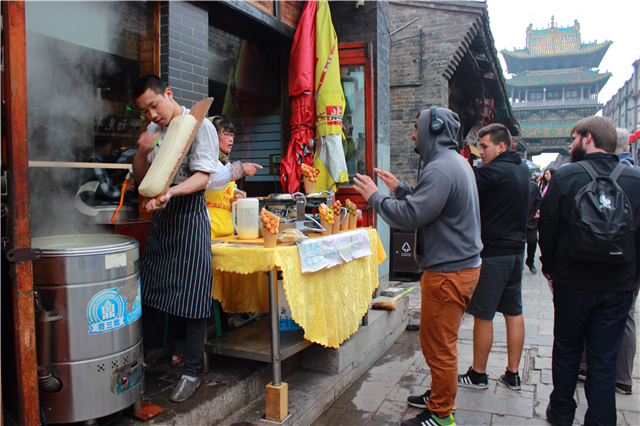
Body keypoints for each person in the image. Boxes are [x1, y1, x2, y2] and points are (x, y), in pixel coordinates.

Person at [353, 107, 482, 426]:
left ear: (432, 129)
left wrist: (375, 198)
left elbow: (411, 215)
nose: (413, 133)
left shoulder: (440, 169)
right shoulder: (453, 164)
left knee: (440, 346)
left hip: (450, 273)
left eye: (416, 127)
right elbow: (430, 203)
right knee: (435, 339)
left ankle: (442, 414)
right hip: (457, 269)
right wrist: (400, 188)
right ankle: (440, 393)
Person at [538, 116, 640, 426]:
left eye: (573, 139)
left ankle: (562, 411)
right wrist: (632, 279)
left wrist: (550, 269)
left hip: (572, 281)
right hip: (618, 285)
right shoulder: (635, 180)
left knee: (567, 349)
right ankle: (600, 418)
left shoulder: (567, 176)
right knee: (604, 357)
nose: (570, 145)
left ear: (589, 138)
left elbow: (548, 227)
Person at [131, 74, 218, 403]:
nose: (152, 115)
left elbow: (203, 177)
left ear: (168, 93)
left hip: (190, 215)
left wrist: (172, 192)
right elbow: (143, 177)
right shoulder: (155, 131)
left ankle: (192, 370)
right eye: (145, 111)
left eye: (154, 105)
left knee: (193, 294)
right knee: (149, 289)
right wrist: (142, 151)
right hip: (162, 217)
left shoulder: (199, 125)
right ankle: (138, 360)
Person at [170, 117, 262, 368]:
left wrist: (235, 195)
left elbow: (223, 192)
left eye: (232, 135)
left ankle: (229, 331)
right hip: (202, 237)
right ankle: (184, 346)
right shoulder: (207, 163)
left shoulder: (227, 164)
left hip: (224, 238)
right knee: (191, 292)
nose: (230, 139)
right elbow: (208, 184)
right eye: (225, 134)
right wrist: (238, 170)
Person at [458, 123, 529, 392]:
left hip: (494, 254)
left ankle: (478, 374)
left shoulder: (493, 172)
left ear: (501, 146)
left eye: (485, 146)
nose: (481, 152)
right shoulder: (521, 168)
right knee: (514, 311)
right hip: (516, 252)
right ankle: (513, 374)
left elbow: (462, 183)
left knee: (483, 314)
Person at [576, 127, 638, 396]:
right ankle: (622, 377)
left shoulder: (577, 174)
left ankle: (584, 368)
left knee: (585, 321)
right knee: (625, 320)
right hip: (624, 269)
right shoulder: (635, 178)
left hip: (583, 269)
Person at [525, 178, 542, 274]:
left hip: (531, 219)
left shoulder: (533, 185)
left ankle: (530, 261)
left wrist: (537, 210)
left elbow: (538, 201)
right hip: (518, 221)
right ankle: (518, 265)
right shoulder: (514, 182)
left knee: (532, 241)